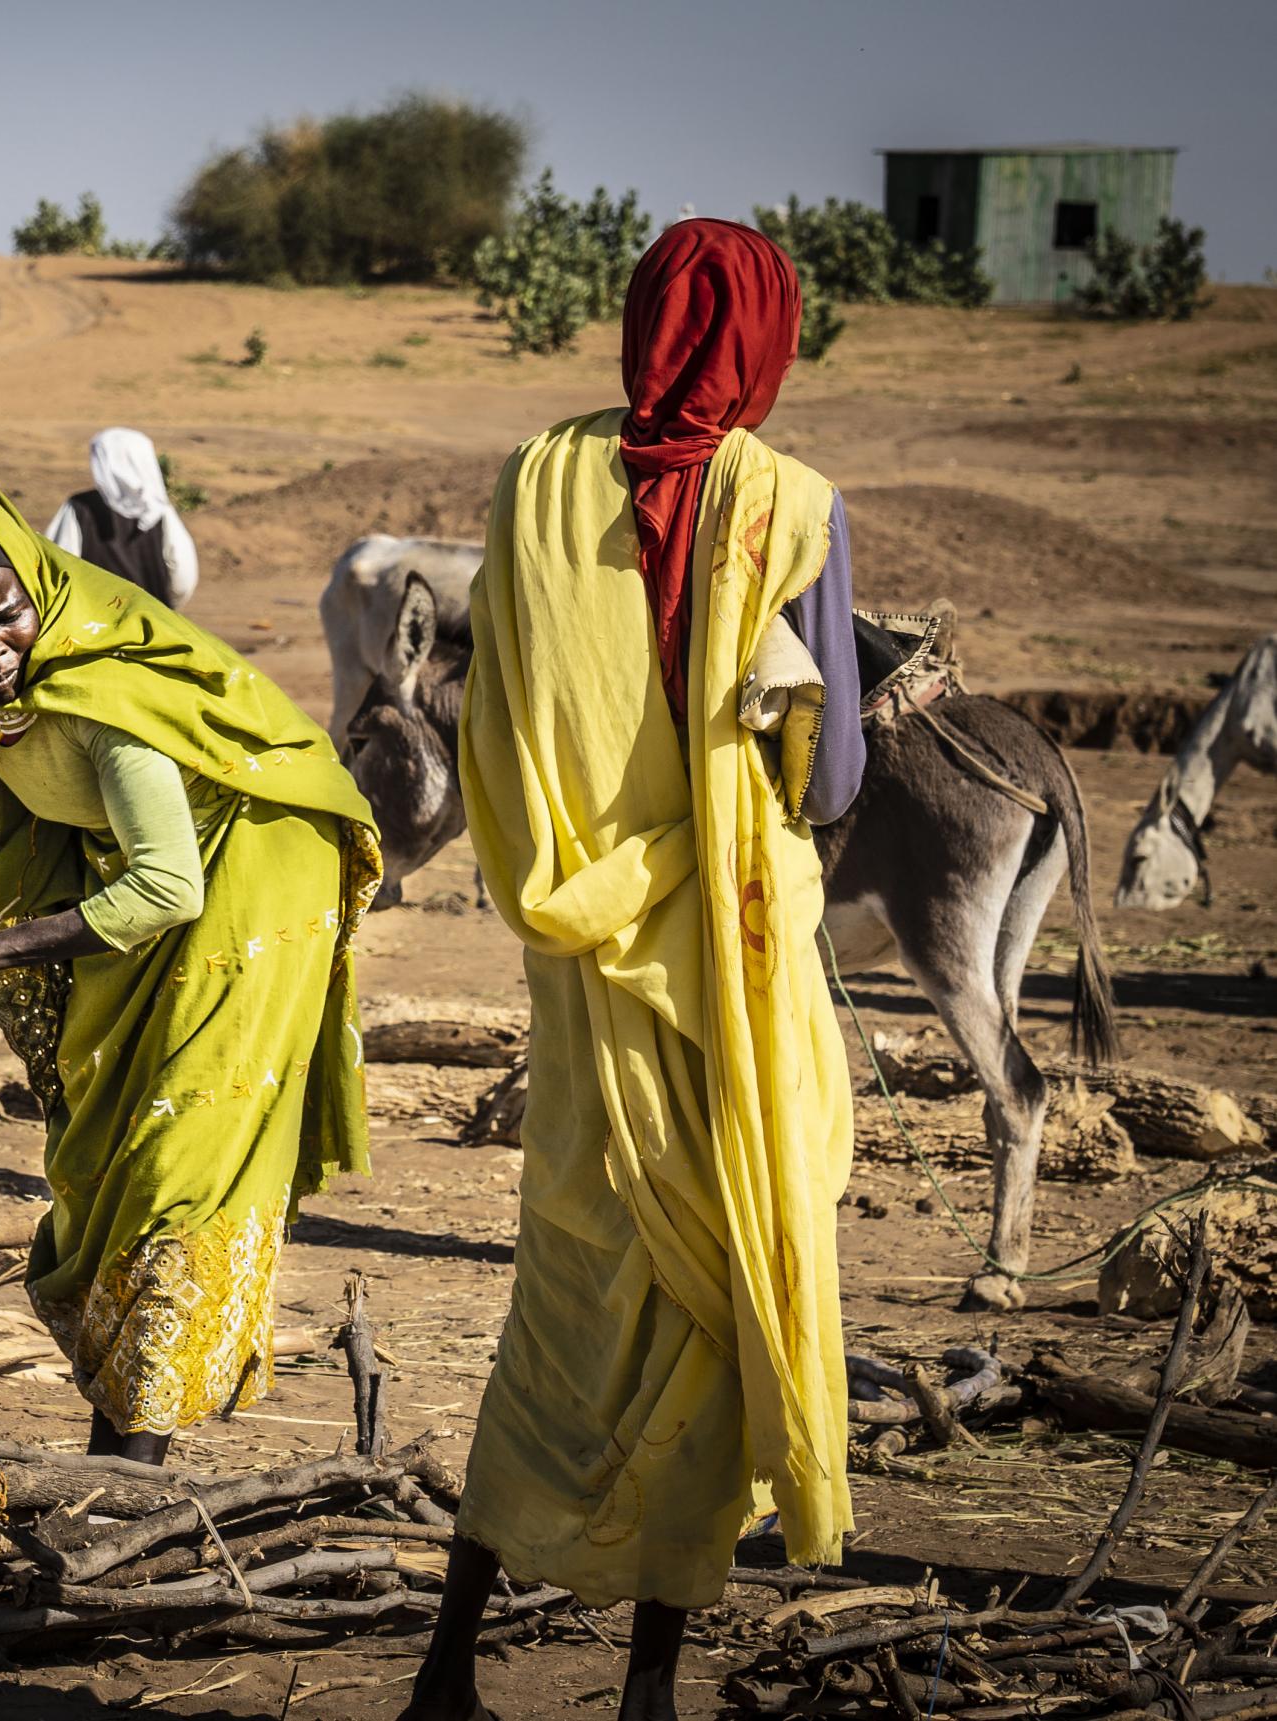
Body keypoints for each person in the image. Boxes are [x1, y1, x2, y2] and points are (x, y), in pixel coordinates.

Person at [403, 220, 864, 1721]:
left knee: (565, 1305)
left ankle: (448, 1667)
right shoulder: (791, 508)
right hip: (727, 969)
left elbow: (488, 730)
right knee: (723, 1300)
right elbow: (839, 770)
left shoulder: (534, 485)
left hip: (585, 965)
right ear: (770, 343)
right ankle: (647, 1695)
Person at [0, 481, 379, 1464]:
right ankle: (113, 1448)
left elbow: (168, 885)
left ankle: (124, 1476)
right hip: (128, 870)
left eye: (6, 611)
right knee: (105, 1141)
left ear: (38, 587)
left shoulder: (106, 694)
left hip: (253, 873)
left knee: (180, 1146)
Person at [42, 427, 199, 609]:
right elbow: (183, 576)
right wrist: (166, 608)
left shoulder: (79, 508)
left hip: (94, 623)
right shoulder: (161, 511)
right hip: (153, 622)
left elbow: (57, 565)